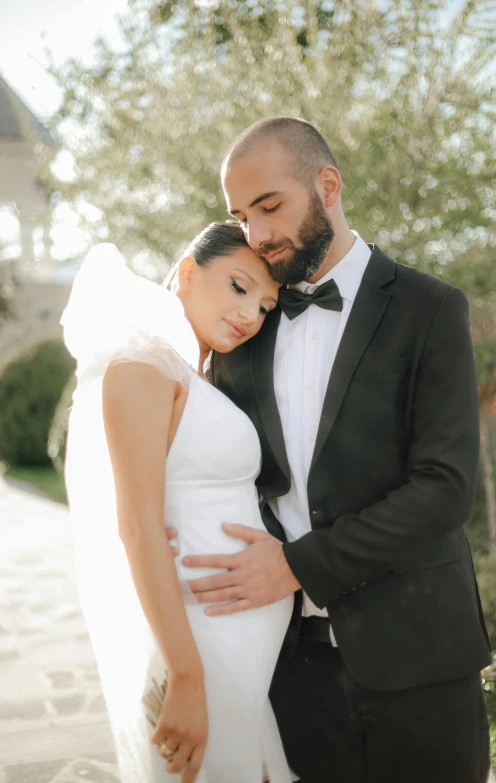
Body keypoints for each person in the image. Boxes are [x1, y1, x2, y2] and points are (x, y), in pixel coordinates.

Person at [180, 117, 493, 783]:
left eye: (270, 206)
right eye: (239, 215)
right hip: (289, 671)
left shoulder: (430, 307)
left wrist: (298, 564)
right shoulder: (245, 328)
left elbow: (445, 487)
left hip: (421, 662)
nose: (257, 234)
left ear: (328, 184)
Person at [61, 222, 294, 783]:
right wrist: (186, 676)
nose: (250, 315)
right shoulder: (141, 362)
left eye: (265, 306)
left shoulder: (192, 373)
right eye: (239, 287)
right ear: (188, 272)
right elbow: (137, 527)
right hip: (197, 648)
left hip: (233, 650)